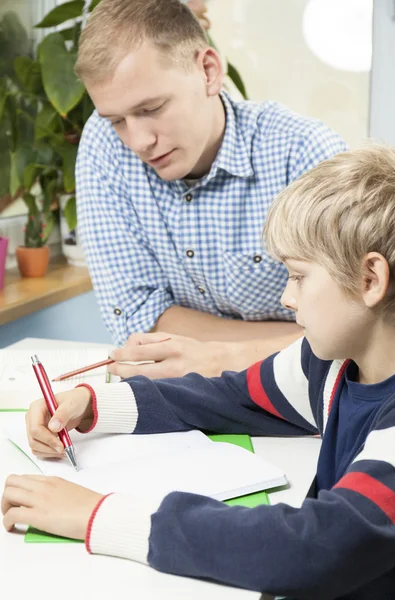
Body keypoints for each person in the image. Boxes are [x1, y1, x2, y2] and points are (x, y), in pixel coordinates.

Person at [4, 144, 395, 599]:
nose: (287, 299)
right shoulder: (330, 364)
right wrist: (97, 405)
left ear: (370, 279)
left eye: (298, 276)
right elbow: (234, 398)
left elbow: (314, 547)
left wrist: (100, 516)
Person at [74, 0, 347, 380]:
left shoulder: (304, 153)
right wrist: (289, 340)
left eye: (152, 108)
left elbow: (354, 333)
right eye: (118, 119)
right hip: (189, 395)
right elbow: (139, 318)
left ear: (208, 71)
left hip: (303, 393)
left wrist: (219, 358)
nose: (138, 141)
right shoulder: (105, 143)